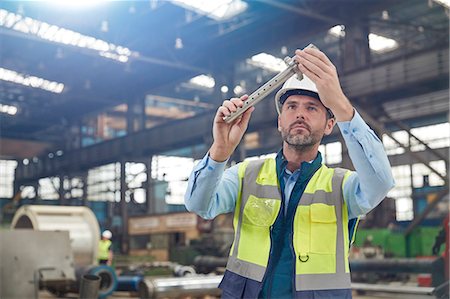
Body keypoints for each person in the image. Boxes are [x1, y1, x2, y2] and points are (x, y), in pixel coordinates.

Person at [185, 46, 395, 298]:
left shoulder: (343, 187)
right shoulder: (245, 175)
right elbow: (199, 204)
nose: (299, 114)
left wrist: (339, 102)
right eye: (291, 106)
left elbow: (381, 182)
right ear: (279, 121)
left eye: (312, 108)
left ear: (330, 124)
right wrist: (220, 150)